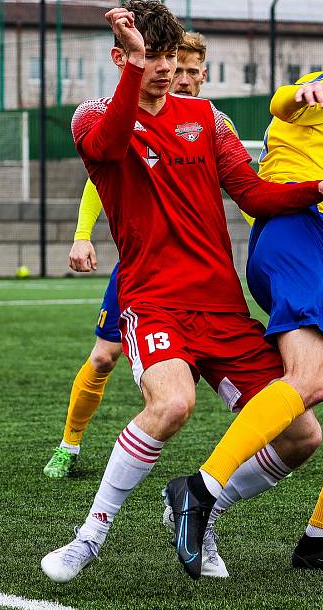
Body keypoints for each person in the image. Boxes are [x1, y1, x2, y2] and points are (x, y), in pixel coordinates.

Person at [40, 0, 323, 584]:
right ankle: (88, 537)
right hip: (153, 303)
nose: (167, 70)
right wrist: (134, 73)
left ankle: (201, 513)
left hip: (221, 307)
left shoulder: (209, 120)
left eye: (171, 57)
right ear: (121, 56)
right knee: (172, 404)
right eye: (152, 58)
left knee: (302, 433)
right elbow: (105, 149)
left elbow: (253, 194)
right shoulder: (92, 114)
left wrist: (319, 186)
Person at [164, 12, 323, 575]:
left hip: (315, 255)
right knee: (307, 382)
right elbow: (285, 102)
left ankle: (319, 540)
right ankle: (200, 489)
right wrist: (297, 92)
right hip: (297, 239)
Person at [42, 31, 235, 480]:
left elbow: (238, 186)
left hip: (195, 271)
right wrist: (82, 235)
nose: (180, 76)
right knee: (104, 355)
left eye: (189, 69)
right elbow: (100, 176)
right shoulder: (124, 114)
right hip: (142, 270)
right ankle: (69, 446)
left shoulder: (211, 121)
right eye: (172, 64)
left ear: (203, 75)